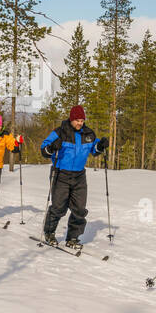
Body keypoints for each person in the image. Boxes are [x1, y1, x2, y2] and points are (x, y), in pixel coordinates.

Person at [39, 105, 107, 249]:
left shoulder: (89, 134)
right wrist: (51, 148)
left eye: (82, 120)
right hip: (61, 174)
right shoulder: (60, 132)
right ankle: (49, 233)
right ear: (71, 119)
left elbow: (94, 150)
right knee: (58, 207)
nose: (79, 123)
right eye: (77, 120)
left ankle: (73, 237)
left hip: (79, 176)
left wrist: (100, 146)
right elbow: (44, 150)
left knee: (79, 209)